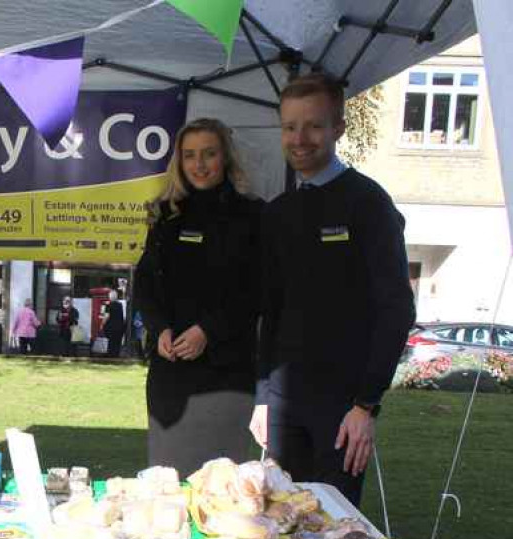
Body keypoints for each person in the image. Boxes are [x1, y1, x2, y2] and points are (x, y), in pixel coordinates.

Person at [250, 73, 415, 506]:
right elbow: (271, 309)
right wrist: (263, 398)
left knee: (333, 537)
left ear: (339, 128)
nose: (299, 139)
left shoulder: (368, 204)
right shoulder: (278, 212)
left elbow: (396, 309)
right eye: (289, 127)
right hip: (285, 406)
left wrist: (366, 406)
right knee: (280, 523)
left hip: (343, 409)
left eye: (314, 126)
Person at [134, 118, 262, 477]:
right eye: (189, 155)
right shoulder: (164, 213)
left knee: (221, 485)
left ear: (225, 158)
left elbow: (256, 291)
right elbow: (145, 283)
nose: (199, 164)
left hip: (226, 374)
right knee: (168, 481)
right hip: (170, 375)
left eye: (209, 154)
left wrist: (208, 330)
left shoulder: (252, 215)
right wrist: (158, 328)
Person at [101, 289, 126, 358]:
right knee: (117, 343)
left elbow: (106, 316)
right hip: (120, 327)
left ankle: (110, 356)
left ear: (110, 297)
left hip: (111, 327)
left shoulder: (108, 305)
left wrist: (102, 324)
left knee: (111, 342)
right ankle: (116, 356)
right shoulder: (120, 305)